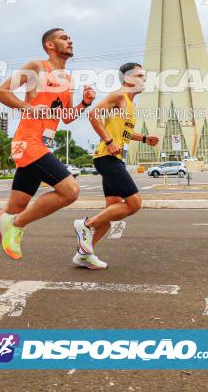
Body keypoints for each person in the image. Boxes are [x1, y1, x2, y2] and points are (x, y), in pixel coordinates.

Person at [0, 28, 96, 291]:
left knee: (14, 206)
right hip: (27, 143)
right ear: (50, 44)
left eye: (70, 38)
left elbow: (66, 116)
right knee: (70, 191)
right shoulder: (37, 66)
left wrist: (84, 103)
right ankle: (18, 225)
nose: (70, 40)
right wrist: (28, 108)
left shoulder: (67, 78)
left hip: (41, 144)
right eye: (64, 37)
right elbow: (1, 92)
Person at [73, 63, 159, 268]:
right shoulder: (118, 95)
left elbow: (124, 133)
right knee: (133, 203)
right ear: (128, 79)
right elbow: (94, 115)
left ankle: (84, 253)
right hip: (106, 156)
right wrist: (109, 141)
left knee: (112, 210)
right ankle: (86, 225)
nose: (143, 79)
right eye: (139, 76)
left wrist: (144, 138)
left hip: (115, 158)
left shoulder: (130, 104)